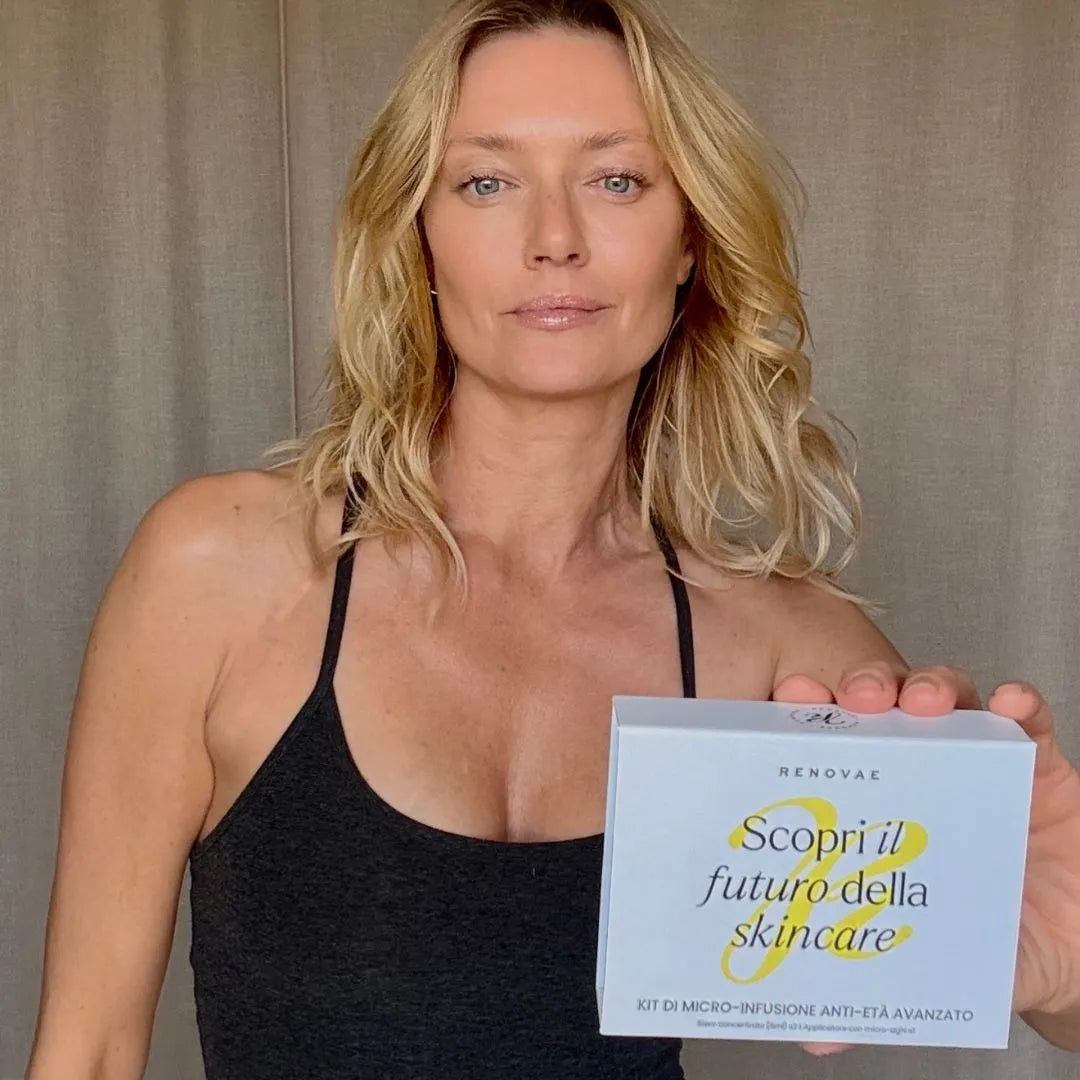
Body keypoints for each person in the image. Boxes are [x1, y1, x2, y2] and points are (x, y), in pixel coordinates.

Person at [24, 0, 1080, 1077]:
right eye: (487, 182)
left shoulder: (782, 647)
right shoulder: (221, 571)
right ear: (419, 239)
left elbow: (1014, 968)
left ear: (690, 239)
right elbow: (88, 1051)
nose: (555, 238)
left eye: (616, 179)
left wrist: (1066, 963)